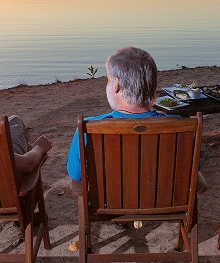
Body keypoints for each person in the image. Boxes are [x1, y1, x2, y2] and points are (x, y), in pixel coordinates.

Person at [66, 46, 164, 186]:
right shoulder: (180, 126)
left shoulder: (88, 127)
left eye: (108, 80)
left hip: (109, 206)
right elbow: (194, 170)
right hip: (165, 206)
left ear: (116, 85)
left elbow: (76, 174)